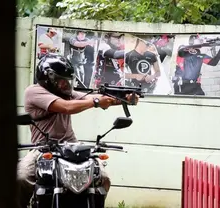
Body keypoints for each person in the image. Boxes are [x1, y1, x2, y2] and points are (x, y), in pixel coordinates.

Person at [17, 53, 139, 208]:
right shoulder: (34, 92)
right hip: (42, 148)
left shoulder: (66, 93)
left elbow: (96, 98)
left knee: (103, 177)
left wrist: (123, 99)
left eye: (67, 81)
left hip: (70, 147)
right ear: (49, 78)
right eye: (61, 81)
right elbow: (67, 107)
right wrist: (95, 102)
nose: (66, 85)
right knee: (20, 177)